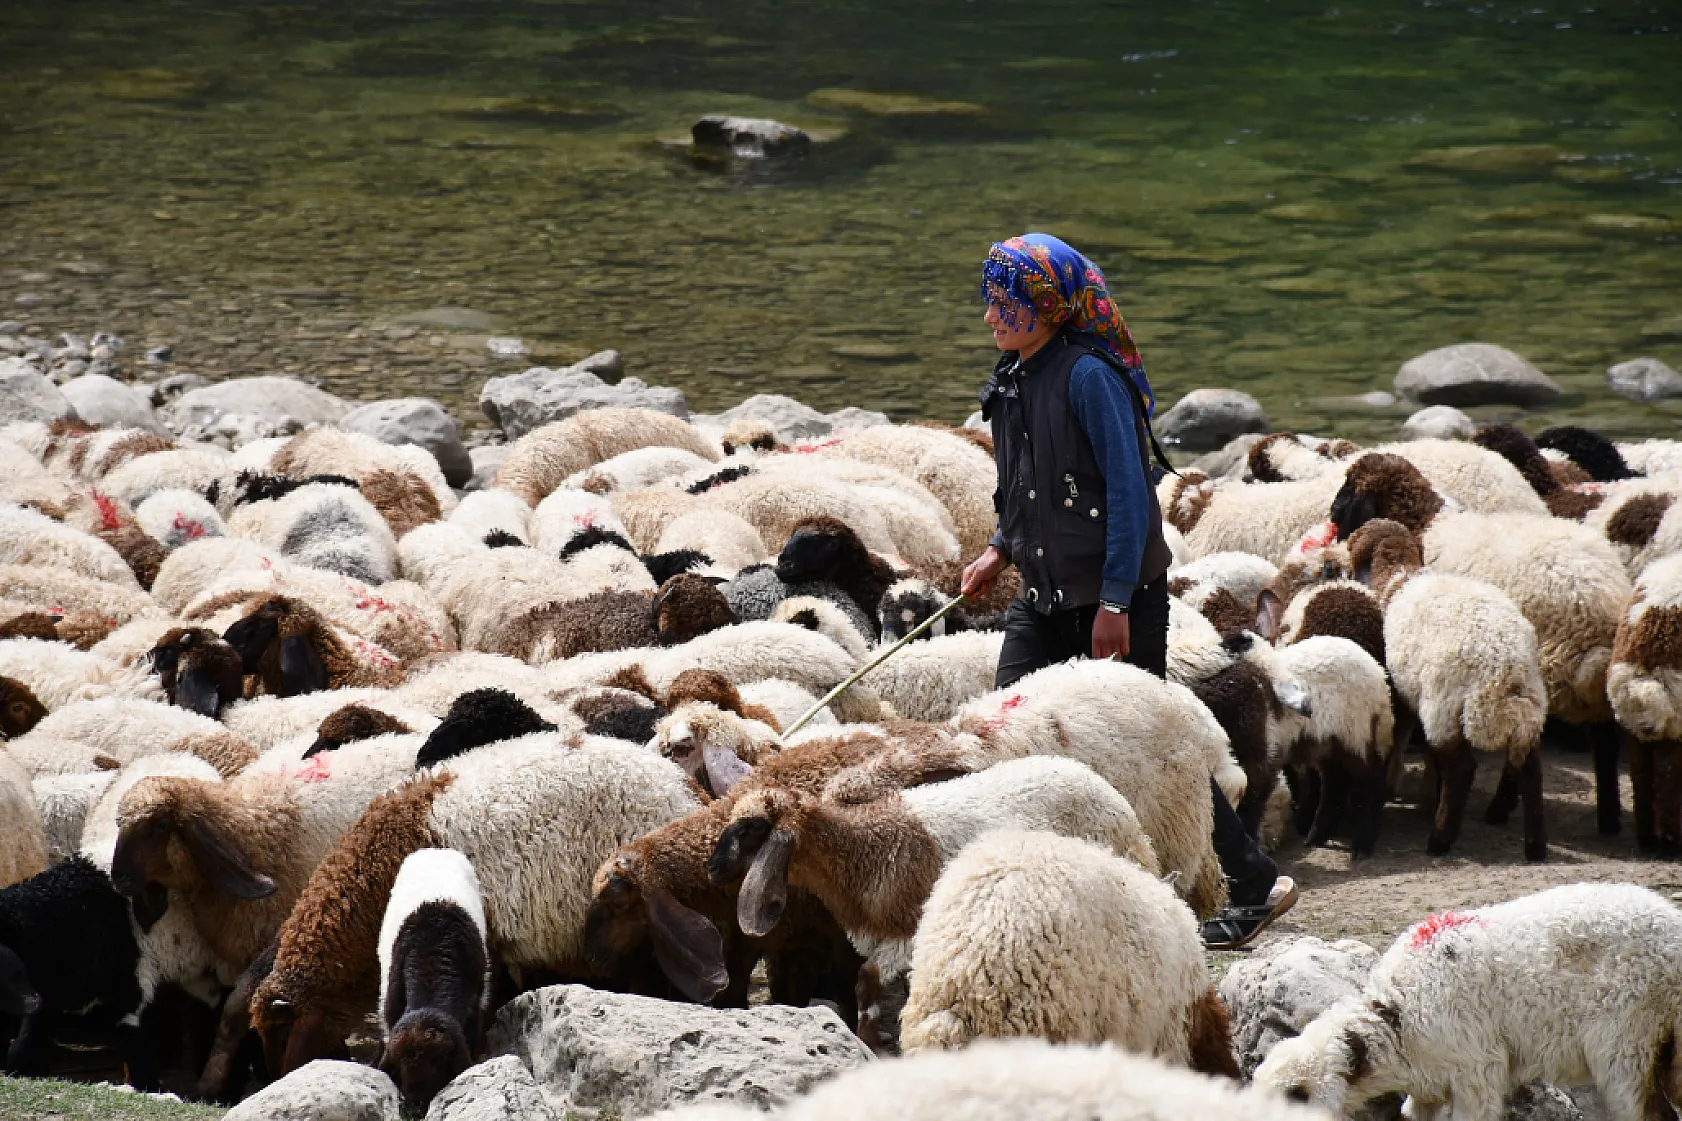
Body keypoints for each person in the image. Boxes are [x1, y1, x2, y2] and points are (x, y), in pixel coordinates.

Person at [959, 232, 1297, 950]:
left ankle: (1253, 883)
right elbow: (1021, 482)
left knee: (1150, 749)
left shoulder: (1090, 377)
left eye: (1002, 302)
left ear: (1043, 307)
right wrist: (997, 546)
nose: (989, 316)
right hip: (1044, 595)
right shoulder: (1014, 372)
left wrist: (1114, 603)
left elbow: (1130, 495)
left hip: (1113, 599)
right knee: (1003, 734)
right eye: (989, 302)